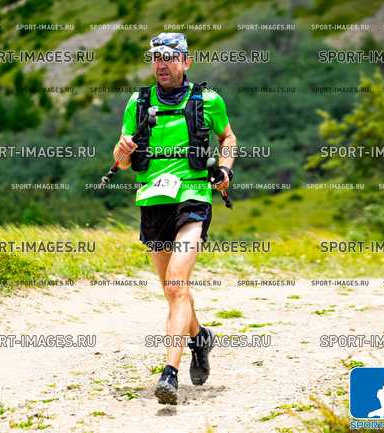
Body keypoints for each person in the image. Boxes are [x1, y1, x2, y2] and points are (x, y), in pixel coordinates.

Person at [113, 33, 237, 404]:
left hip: (193, 196)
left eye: (169, 57)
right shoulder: (137, 102)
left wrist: (225, 168)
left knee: (176, 282)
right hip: (153, 198)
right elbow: (121, 162)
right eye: (156, 57)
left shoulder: (209, 100)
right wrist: (122, 151)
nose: (161, 64)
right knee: (172, 288)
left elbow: (227, 137)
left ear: (186, 61)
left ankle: (169, 373)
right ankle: (200, 337)